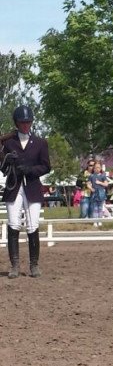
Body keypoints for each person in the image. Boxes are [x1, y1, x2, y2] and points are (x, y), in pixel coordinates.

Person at [1, 105, 51, 278]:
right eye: (22, 122)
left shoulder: (40, 143)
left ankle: (34, 265)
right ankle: (14, 265)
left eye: (28, 122)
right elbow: (3, 169)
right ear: (16, 123)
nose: (25, 125)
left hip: (32, 187)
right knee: (14, 224)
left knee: (32, 224)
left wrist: (29, 170)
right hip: (14, 187)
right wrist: (7, 160)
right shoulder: (8, 143)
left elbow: (46, 166)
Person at [88, 162, 109, 226]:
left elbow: (106, 184)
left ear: (100, 168)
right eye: (96, 167)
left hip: (101, 193)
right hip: (94, 193)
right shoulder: (91, 176)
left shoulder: (103, 176)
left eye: (99, 167)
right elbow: (88, 184)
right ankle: (95, 221)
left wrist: (100, 182)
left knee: (100, 207)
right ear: (93, 168)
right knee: (94, 207)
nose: (97, 169)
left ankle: (100, 220)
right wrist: (91, 189)